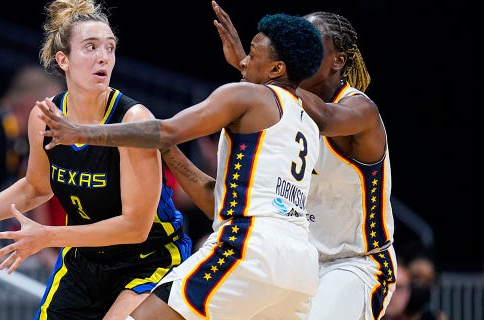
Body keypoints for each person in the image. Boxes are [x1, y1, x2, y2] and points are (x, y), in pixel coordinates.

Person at [35, 11, 324, 319]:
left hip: (251, 246)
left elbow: (166, 129)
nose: (242, 62)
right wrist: (167, 150)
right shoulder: (307, 124)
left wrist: (81, 132)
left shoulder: (246, 95)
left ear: (277, 68)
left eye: (252, 56)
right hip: (301, 268)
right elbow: (217, 203)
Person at [0, 0, 192, 319]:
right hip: (84, 260)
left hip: (150, 258)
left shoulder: (133, 121)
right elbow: (36, 187)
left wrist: (48, 236)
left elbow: (135, 227)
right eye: (90, 47)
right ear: (63, 59)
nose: (103, 56)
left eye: (110, 48)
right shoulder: (44, 116)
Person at [211, 2, 397, 319]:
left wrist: (258, 73)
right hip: (297, 260)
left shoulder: (360, 111)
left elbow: (324, 118)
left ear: (339, 60)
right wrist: (254, 68)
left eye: (313, 40)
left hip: (356, 262)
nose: (303, 46)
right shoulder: (282, 108)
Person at [0, 64, 66, 270]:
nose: (58, 118)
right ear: (32, 105)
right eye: (53, 109)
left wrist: (44, 247)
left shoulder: (24, 139)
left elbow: (35, 187)